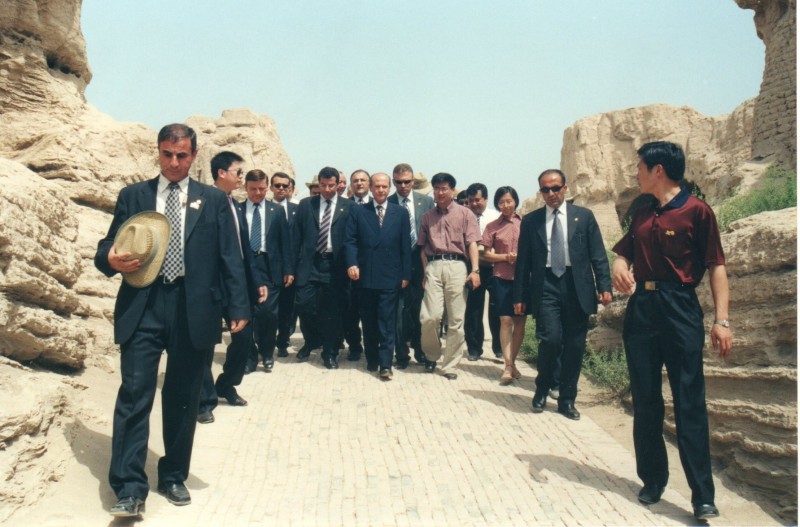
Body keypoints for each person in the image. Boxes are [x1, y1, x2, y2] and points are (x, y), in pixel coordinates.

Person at [95, 124, 249, 517]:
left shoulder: (212, 200)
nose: (174, 163)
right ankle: (129, 488)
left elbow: (229, 256)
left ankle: (173, 475)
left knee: (182, 397)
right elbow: (108, 244)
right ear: (158, 152)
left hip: (193, 309)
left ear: (194, 155)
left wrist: (238, 307)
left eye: (181, 155)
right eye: (167, 154)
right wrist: (109, 258)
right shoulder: (134, 196)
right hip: (143, 306)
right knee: (134, 394)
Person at [611, 142, 732, 521]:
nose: (636, 173)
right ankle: (653, 479)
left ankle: (702, 497)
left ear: (658, 170)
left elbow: (716, 266)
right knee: (646, 399)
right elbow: (625, 252)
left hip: (680, 309)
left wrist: (722, 320)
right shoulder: (642, 211)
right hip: (642, 310)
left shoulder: (697, 211)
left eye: (639, 167)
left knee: (689, 401)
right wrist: (619, 264)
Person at [513, 169, 612, 420]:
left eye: (555, 188)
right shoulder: (531, 221)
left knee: (575, 345)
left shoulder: (584, 217)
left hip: (577, 286)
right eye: (545, 189)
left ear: (565, 188)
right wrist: (520, 296)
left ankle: (567, 400)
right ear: (541, 192)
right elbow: (523, 262)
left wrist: (604, 286)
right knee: (550, 339)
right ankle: (542, 388)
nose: (551, 194)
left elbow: (598, 254)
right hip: (546, 284)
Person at [197, 152, 267, 424]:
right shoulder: (202, 202)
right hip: (211, 286)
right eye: (238, 172)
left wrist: (257, 281)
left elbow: (244, 249)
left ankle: (226, 384)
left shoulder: (236, 206)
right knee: (206, 344)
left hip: (237, 286)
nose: (241, 178)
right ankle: (203, 400)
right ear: (221, 173)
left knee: (244, 339)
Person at [344, 173, 411, 378]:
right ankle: (372, 358)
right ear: (371, 188)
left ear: (389, 188)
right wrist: (352, 263)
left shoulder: (400, 213)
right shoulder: (358, 211)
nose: (381, 190)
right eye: (377, 186)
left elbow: (405, 246)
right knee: (369, 320)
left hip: (390, 276)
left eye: (384, 186)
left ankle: (385, 364)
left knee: (387, 321)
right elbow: (350, 240)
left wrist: (405, 274)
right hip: (365, 276)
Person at [418, 173, 481, 380]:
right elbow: (422, 248)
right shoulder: (427, 216)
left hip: (457, 266)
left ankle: (450, 365)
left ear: (452, 190)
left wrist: (475, 271)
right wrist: (425, 271)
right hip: (434, 265)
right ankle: (431, 355)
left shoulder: (465, 214)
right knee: (430, 317)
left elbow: (472, 243)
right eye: (436, 188)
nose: (440, 192)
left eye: (444, 188)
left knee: (456, 319)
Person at [292, 167, 355, 368]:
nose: (327, 190)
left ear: (338, 185)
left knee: (331, 311)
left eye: (331, 185)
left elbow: (353, 238)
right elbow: (296, 237)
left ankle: (330, 352)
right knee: (303, 305)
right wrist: (291, 269)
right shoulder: (306, 205)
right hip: (310, 264)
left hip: (334, 265)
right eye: (323, 185)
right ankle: (312, 340)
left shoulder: (349, 207)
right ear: (318, 184)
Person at [242, 169, 292, 373]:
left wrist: (288, 269)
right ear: (245, 187)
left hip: (269, 267)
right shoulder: (237, 209)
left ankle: (267, 352)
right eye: (253, 189)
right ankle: (250, 356)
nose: (258, 193)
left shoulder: (276, 211)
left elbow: (285, 242)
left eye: (262, 189)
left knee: (268, 314)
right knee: (246, 313)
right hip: (244, 266)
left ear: (267, 188)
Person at [388, 163, 434, 366]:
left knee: (420, 310)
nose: (403, 186)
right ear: (393, 182)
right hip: (396, 262)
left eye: (407, 182)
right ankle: (401, 353)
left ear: (413, 181)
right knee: (398, 311)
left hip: (420, 259)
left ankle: (420, 350)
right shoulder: (387, 202)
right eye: (399, 182)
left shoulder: (427, 202)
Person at [481, 186, 525, 384]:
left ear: (515, 201)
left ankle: (512, 363)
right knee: (505, 320)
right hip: (501, 277)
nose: (505, 205)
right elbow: (486, 255)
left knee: (520, 322)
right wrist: (506, 257)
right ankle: (507, 365)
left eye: (509, 201)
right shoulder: (492, 227)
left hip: (523, 279)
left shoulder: (526, 223)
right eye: (501, 202)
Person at [465, 182, 502, 360]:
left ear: (486, 199)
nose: (474, 204)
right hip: (473, 268)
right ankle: (474, 348)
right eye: (471, 200)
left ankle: (499, 348)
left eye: (477, 200)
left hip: (494, 268)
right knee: (473, 309)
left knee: (496, 308)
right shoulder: (464, 216)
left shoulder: (497, 216)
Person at [270, 172, 299, 358]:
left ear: (290, 188)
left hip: (292, 268)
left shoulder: (298, 210)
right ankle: (264, 342)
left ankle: (282, 342)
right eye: (277, 185)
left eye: (285, 186)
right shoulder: (265, 208)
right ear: (271, 187)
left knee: (287, 309)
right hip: (270, 267)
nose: (281, 189)